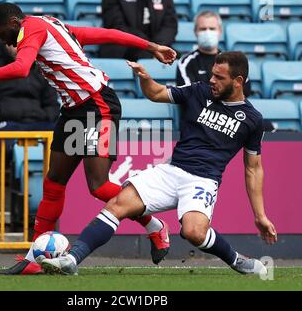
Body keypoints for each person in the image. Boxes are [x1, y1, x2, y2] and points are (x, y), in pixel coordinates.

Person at [0, 3, 177, 275]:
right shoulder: (50, 24)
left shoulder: (30, 30)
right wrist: (151, 45)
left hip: (98, 105)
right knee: (54, 182)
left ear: (14, 22)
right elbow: (104, 33)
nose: (4, 41)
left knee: (98, 185)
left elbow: (22, 68)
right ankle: (34, 257)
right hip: (74, 109)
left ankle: (155, 226)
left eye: (3, 34)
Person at [40, 52, 278, 276]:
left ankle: (235, 259)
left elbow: (253, 169)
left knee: (193, 233)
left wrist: (260, 216)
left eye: (219, 77)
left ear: (238, 81)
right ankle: (72, 259)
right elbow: (157, 94)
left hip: (202, 180)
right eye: (212, 74)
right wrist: (146, 79)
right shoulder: (199, 91)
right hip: (170, 171)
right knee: (117, 204)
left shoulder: (252, 120)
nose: (212, 80)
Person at [176, 10, 275, 132]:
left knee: (266, 127)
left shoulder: (232, 60)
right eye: (203, 29)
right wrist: (225, 91)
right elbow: (190, 95)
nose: (208, 32)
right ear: (195, 32)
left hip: (231, 116)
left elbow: (245, 88)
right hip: (200, 121)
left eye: (212, 28)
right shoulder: (186, 63)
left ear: (220, 31)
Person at [0, 44, 59, 155]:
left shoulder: (43, 74)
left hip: (39, 125)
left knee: (66, 142)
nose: (19, 47)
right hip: (6, 127)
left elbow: (53, 106)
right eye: (14, 43)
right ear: (5, 43)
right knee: (19, 153)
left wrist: (44, 115)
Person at [99, 0, 177, 61]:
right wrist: (149, 46)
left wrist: (156, 47)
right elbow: (116, 26)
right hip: (123, 48)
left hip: (156, 47)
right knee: (145, 57)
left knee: (174, 58)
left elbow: (170, 25)